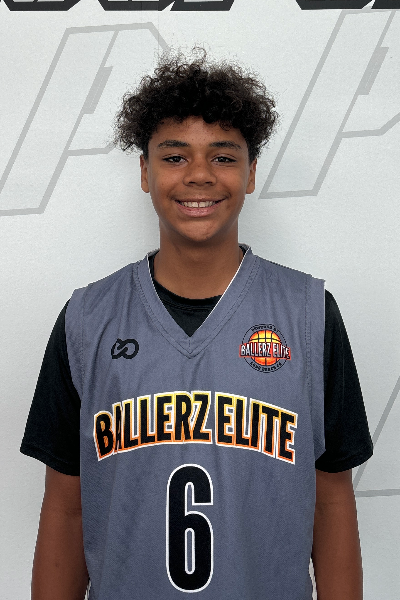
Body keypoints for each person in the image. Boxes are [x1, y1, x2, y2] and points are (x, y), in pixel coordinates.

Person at [21, 50, 373, 600]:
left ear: (251, 173)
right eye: (175, 156)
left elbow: (331, 500)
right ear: (145, 172)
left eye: (224, 157)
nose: (200, 175)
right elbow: (66, 508)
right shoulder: (87, 320)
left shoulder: (308, 314)